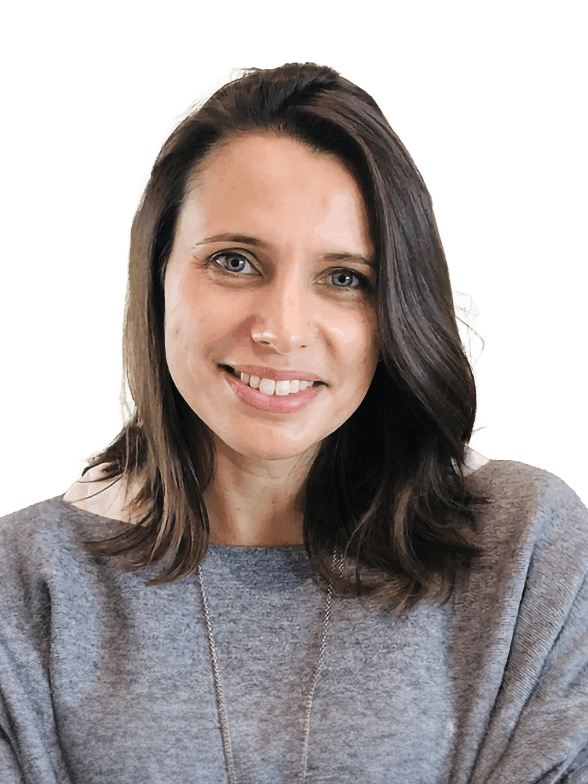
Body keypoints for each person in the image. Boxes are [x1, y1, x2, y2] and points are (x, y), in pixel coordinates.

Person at [1, 62, 586, 784]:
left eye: (344, 278)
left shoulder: (528, 554)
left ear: (395, 311)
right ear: (157, 279)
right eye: (235, 261)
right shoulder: (23, 583)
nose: (281, 329)